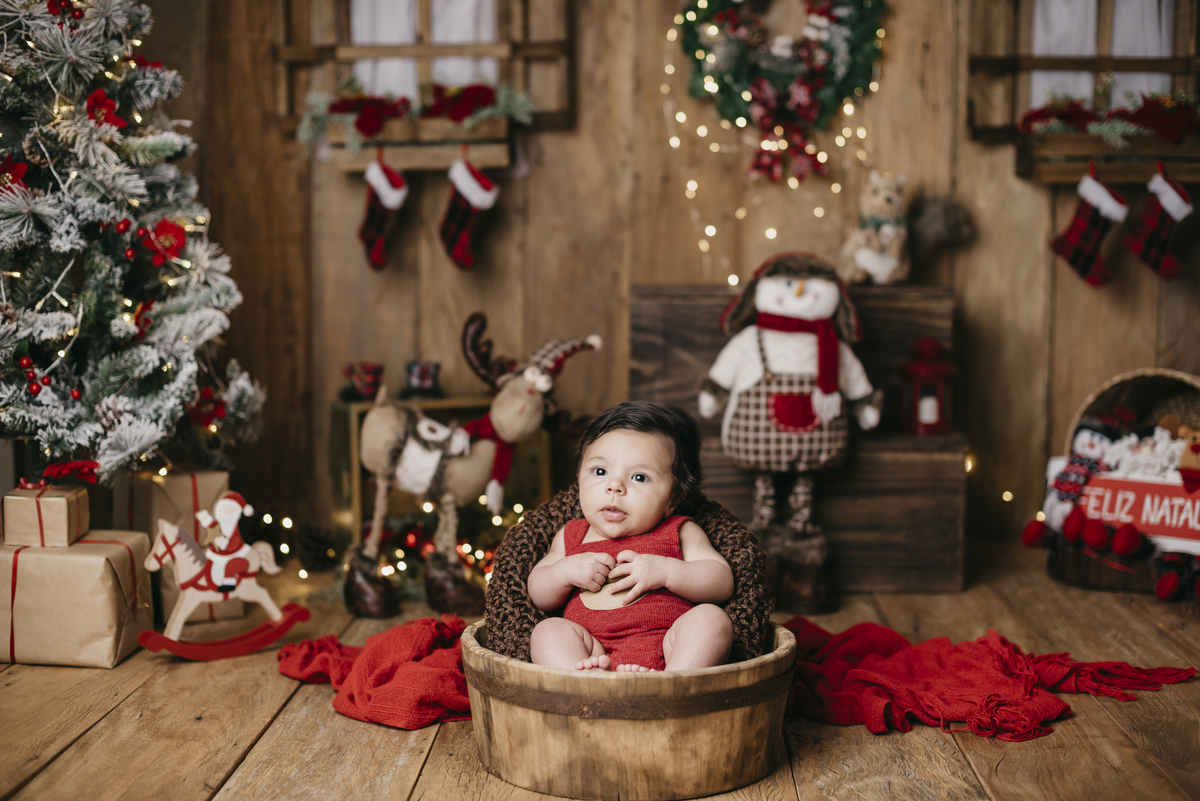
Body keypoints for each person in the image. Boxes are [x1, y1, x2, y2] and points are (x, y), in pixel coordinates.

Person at [528, 401, 734, 672]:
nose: (614, 486)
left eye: (639, 477)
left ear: (673, 498)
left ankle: (674, 682)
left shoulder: (678, 530)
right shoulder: (571, 535)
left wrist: (667, 571)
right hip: (592, 649)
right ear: (579, 479)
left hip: (668, 648)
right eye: (600, 472)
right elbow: (538, 592)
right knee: (547, 631)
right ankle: (584, 681)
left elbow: (722, 581)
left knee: (712, 619)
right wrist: (564, 572)